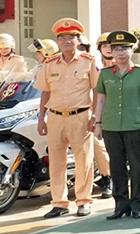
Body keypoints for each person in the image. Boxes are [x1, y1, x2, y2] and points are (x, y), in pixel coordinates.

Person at [35, 18, 102, 218]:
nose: (67, 41)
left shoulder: (88, 61)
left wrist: (95, 116)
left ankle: (83, 200)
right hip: (55, 117)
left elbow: (97, 89)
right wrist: (41, 118)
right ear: (58, 41)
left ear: (78, 39)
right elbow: (45, 92)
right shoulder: (50, 63)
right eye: (62, 38)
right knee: (56, 161)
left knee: (84, 161)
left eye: (71, 37)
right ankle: (59, 203)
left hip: (80, 116)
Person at [90, 31, 140, 220]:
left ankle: (136, 203)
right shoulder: (105, 74)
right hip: (111, 125)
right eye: (117, 49)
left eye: (125, 48)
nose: (121, 53)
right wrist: (98, 123)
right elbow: (100, 100)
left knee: (136, 166)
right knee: (116, 166)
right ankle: (120, 204)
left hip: (134, 124)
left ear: (132, 49)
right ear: (110, 51)